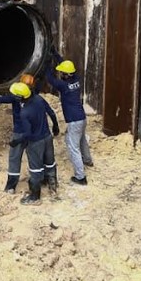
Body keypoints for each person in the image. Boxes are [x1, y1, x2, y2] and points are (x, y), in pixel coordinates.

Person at [47, 57, 94, 185]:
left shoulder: (63, 86)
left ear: (67, 75)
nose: (61, 74)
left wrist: (46, 63)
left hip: (74, 121)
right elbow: (66, 65)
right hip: (82, 118)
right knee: (82, 140)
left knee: (73, 147)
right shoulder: (76, 79)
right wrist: (55, 54)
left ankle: (80, 177)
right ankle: (88, 160)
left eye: (62, 73)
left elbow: (49, 78)